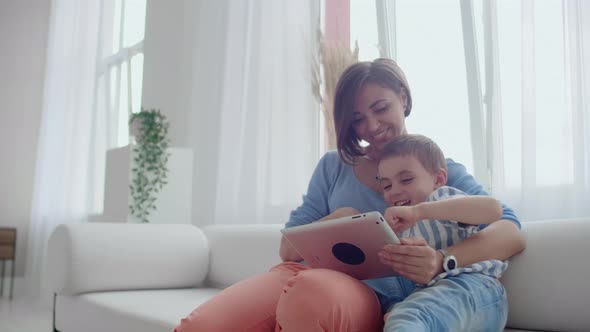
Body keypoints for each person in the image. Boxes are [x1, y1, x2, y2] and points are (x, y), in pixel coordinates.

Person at [173, 58, 525, 332]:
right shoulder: (332, 167)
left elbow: (509, 231)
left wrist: (441, 260)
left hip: (363, 294)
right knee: (200, 327)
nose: (370, 126)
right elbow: (287, 248)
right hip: (299, 272)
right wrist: (337, 221)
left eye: (380, 108)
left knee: (311, 294)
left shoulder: (437, 170)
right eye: (357, 118)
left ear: (403, 98)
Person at [375, 133, 510, 330]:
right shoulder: (399, 224)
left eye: (406, 179)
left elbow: (493, 209)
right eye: (386, 185)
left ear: (439, 179)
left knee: (409, 317)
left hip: (473, 287)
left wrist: (420, 211)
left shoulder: (442, 199)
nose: (394, 191)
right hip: (429, 297)